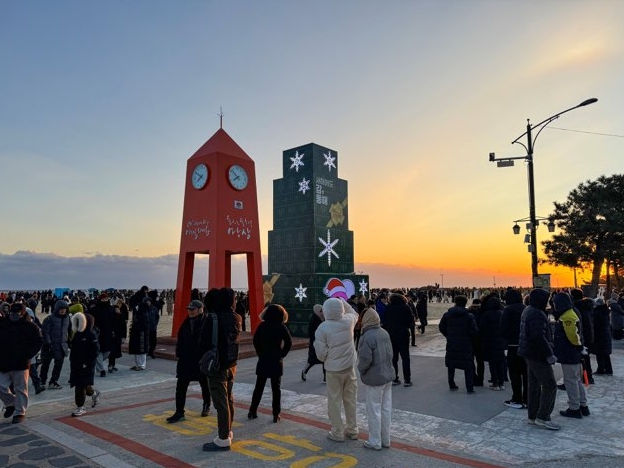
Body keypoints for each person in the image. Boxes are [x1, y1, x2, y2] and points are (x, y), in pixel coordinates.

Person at [200, 288, 241, 452]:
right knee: (229, 399)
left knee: (220, 402)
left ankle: (223, 438)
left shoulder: (212, 318)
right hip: (232, 364)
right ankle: (228, 431)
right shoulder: (236, 317)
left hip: (217, 365)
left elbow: (203, 342)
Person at [314, 297, 359, 443]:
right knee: (350, 400)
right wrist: (342, 300)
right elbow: (354, 312)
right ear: (341, 309)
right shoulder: (348, 321)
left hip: (333, 370)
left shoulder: (322, 328)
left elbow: (321, 355)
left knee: (334, 401)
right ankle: (353, 430)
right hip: (349, 367)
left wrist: (330, 356)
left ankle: (337, 432)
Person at [518, 288, 559, 430]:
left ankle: (533, 415)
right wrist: (549, 354)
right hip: (537, 354)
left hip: (529, 352)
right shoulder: (537, 313)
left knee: (534, 385)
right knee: (550, 384)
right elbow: (538, 337)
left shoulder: (528, 310)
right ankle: (543, 416)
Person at [167, 300, 211, 423]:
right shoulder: (186, 323)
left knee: (204, 384)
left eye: (193, 309)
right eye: (189, 309)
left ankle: (206, 405)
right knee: (181, 386)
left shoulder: (206, 322)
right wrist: (179, 353)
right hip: (185, 360)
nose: (190, 312)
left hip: (200, 360)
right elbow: (180, 339)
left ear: (200, 309)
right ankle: (179, 412)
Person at [248, 304, 292, 423]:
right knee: (276, 389)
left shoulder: (262, 325)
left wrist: (260, 353)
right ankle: (276, 414)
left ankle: (252, 411)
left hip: (263, 359)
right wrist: (282, 354)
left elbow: (255, 340)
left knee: (259, 387)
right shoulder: (281, 327)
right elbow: (289, 342)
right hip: (276, 360)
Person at [357, 307, 394, 450]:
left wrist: (361, 370)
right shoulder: (384, 333)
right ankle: (386, 440)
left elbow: (365, 359)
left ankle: (375, 441)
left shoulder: (367, 336)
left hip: (374, 378)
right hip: (387, 376)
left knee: (374, 410)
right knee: (386, 409)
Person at [0, 302, 43, 424]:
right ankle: (11, 403)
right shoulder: (3, 324)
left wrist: (28, 355)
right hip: (3, 362)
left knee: (20, 388)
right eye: (12, 313)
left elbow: (39, 341)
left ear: (22, 313)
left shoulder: (30, 326)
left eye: (17, 313)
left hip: (21, 363)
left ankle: (20, 412)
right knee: (1, 386)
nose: (14, 315)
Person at [551, 292, 590, 419]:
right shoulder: (570, 313)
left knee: (570, 381)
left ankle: (574, 408)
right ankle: (583, 405)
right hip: (572, 352)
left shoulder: (567, 316)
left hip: (569, 352)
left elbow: (573, 335)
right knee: (576, 379)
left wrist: (578, 346)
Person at [439, 295, 478, 393]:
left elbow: (441, 327)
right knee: (468, 365)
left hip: (452, 343)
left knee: (451, 364)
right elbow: (474, 331)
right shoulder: (469, 316)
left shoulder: (447, 315)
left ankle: (451, 384)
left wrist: (448, 335)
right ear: (465, 303)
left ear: (455, 302)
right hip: (466, 344)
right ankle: (469, 388)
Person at [69, 312, 101, 417]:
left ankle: (80, 406)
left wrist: (87, 363)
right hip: (76, 364)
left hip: (86, 365)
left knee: (80, 385)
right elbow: (74, 349)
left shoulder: (91, 335)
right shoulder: (77, 334)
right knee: (84, 384)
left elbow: (95, 351)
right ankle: (94, 393)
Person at [501, 288, 528, 408]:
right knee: (526, 374)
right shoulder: (526, 308)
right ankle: (527, 398)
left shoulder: (508, 310)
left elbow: (503, 328)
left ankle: (517, 398)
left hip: (513, 346)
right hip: (526, 346)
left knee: (515, 374)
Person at [383, 292, 413, 387]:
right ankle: (407, 380)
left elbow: (385, 320)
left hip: (391, 334)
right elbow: (410, 320)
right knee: (405, 357)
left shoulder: (388, 307)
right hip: (403, 334)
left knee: (394, 358)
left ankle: (394, 379)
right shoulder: (405, 307)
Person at [40, 299, 71, 389]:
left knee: (59, 364)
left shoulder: (67, 318)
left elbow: (69, 330)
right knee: (46, 363)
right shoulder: (49, 319)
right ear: (57, 309)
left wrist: (69, 341)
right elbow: (45, 332)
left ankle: (53, 381)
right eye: (61, 308)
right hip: (50, 345)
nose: (62, 310)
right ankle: (42, 380)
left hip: (61, 345)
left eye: (64, 309)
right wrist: (48, 343)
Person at [480, 296, 506, 391]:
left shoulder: (486, 315)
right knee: (500, 362)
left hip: (489, 340)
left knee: (492, 362)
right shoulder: (502, 313)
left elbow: (482, 328)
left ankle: (495, 382)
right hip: (500, 340)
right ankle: (501, 382)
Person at [570, 288, 595, 384]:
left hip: (581, 335)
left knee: (576, 359)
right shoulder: (588, 306)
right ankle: (588, 377)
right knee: (585, 358)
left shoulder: (576, 308)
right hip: (589, 334)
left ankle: (578, 378)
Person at [91, 293, 115, 377]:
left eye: (106, 299)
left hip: (108, 333)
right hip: (98, 333)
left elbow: (114, 321)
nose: (104, 300)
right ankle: (101, 370)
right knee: (99, 351)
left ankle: (98, 364)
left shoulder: (111, 309)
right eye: (103, 299)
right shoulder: (95, 309)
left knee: (107, 352)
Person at [301, 304, 326, 382]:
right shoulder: (313, 320)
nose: (322, 312)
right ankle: (304, 371)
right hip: (315, 343)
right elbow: (311, 333)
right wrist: (317, 338)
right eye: (320, 311)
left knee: (325, 359)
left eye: (322, 310)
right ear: (316, 311)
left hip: (324, 342)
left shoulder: (324, 318)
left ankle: (325, 377)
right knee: (312, 360)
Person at [128, 297, 151, 371]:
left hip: (142, 334)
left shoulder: (143, 313)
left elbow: (145, 325)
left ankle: (142, 365)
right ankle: (138, 364)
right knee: (137, 349)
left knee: (141, 349)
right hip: (137, 333)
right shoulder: (138, 313)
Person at [591, 298, 613, 375]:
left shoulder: (597, 313)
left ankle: (601, 370)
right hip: (606, 334)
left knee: (599, 353)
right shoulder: (605, 311)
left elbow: (596, 325)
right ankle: (609, 370)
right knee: (605, 354)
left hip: (599, 335)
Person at [108, 298, 128, 373]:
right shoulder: (111, 317)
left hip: (118, 336)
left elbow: (124, 327)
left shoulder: (121, 316)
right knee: (112, 351)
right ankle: (111, 365)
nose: (117, 310)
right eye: (116, 309)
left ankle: (112, 365)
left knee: (115, 352)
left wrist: (124, 336)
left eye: (118, 309)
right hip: (112, 336)